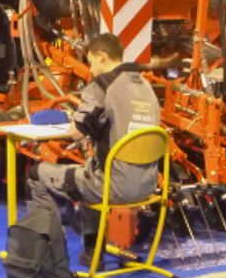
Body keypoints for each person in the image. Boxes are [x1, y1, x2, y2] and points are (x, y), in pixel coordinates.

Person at [27, 33, 161, 265]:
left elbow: (76, 132)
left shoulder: (101, 87)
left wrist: (74, 120)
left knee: (36, 174)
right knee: (87, 172)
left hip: (113, 186)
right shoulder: (147, 87)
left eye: (91, 62)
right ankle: (92, 252)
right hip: (148, 186)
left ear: (102, 56)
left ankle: (44, 252)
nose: (90, 70)